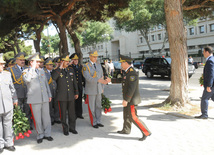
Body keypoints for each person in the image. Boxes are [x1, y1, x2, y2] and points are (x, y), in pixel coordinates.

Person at [117, 54, 151, 141]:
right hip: (128, 99)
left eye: (122, 63)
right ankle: (126, 130)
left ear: (125, 63)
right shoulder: (128, 72)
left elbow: (131, 89)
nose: (121, 65)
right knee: (126, 115)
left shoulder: (132, 73)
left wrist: (126, 100)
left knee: (133, 117)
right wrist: (111, 80)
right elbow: (123, 80)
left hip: (131, 100)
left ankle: (146, 132)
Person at [22, 53, 53, 144]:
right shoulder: (26, 71)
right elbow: (27, 80)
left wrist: (49, 94)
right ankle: (40, 134)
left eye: (39, 62)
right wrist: (32, 68)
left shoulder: (41, 71)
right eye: (36, 62)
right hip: (35, 99)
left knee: (46, 117)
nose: (38, 63)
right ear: (31, 62)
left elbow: (46, 84)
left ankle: (47, 134)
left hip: (44, 98)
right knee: (37, 118)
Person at [82, 49, 111, 128]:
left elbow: (101, 76)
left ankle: (98, 121)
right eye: (94, 57)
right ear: (90, 57)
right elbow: (88, 78)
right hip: (91, 90)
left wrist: (102, 87)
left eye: (96, 57)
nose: (95, 58)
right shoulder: (86, 66)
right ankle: (93, 122)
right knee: (92, 107)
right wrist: (98, 80)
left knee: (98, 106)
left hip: (98, 89)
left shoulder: (98, 65)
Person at [52, 55, 79, 136]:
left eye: (68, 61)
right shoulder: (57, 70)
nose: (68, 63)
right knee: (63, 114)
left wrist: (76, 92)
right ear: (61, 62)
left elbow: (74, 81)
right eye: (66, 61)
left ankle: (72, 128)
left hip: (70, 95)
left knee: (72, 113)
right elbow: (54, 78)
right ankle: (65, 129)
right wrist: (60, 67)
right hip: (62, 96)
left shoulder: (70, 69)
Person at [7, 52, 33, 129]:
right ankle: (19, 126)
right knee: (18, 111)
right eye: (21, 60)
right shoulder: (10, 70)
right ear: (16, 61)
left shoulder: (28, 69)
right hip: (17, 94)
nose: (23, 61)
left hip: (27, 93)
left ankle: (28, 125)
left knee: (27, 110)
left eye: (23, 60)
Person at [0, 54, 18, 153]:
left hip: (8, 104)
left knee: (8, 125)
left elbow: (12, 88)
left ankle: (9, 143)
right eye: (1, 64)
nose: (3, 65)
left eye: (3, 64)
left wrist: (15, 99)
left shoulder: (7, 74)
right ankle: (0, 144)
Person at [195, 46, 214, 119]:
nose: (203, 53)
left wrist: (209, 85)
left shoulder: (210, 61)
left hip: (211, 85)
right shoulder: (212, 59)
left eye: (203, 52)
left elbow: (211, 74)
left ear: (207, 52)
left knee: (204, 99)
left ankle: (204, 114)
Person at [43, 58, 61, 125]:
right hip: (49, 92)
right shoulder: (43, 72)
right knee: (50, 107)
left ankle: (57, 118)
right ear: (46, 65)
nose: (52, 66)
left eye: (52, 64)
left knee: (56, 105)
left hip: (55, 91)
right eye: (50, 65)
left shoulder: (54, 71)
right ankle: (51, 119)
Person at [69, 53, 85, 119]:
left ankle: (79, 113)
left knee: (79, 100)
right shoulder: (70, 67)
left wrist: (84, 84)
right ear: (72, 60)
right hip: (73, 87)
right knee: (74, 102)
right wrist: (69, 64)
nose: (76, 61)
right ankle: (74, 114)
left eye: (77, 60)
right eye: (74, 60)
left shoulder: (80, 66)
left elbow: (82, 76)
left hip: (79, 86)